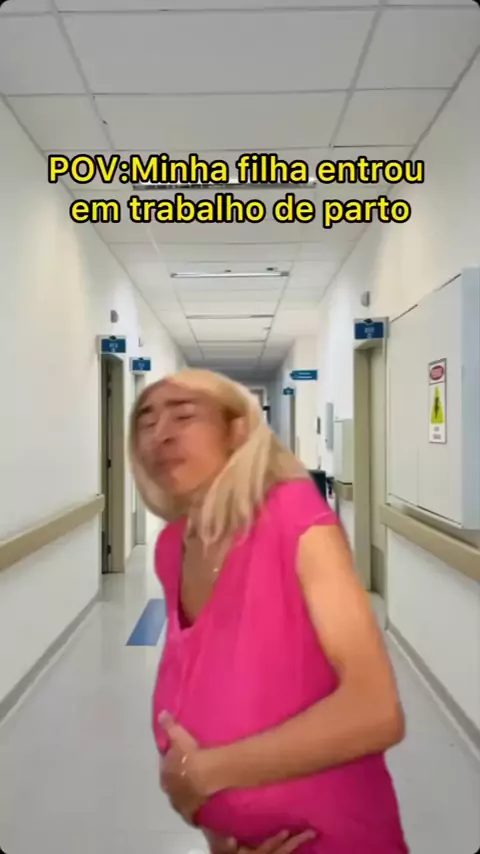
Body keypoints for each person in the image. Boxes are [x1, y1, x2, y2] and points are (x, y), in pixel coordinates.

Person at [129, 368, 408, 854]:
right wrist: (221, 833)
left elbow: (376, 711)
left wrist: (203, 774)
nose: (161, 434)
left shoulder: (293, 517)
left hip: (337, 837)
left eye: (184, 415)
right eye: (146, 422)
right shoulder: (174, 546)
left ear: (237, 431)